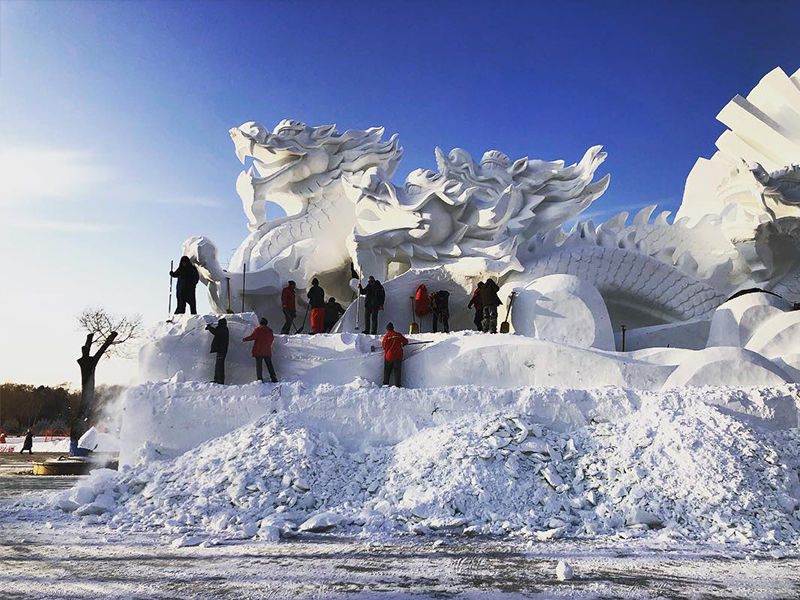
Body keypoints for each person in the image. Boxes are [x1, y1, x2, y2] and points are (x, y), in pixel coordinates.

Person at [243, 318, 277, 383]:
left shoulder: (258, 330)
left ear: (260, 323)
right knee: (269, 365)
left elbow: (252, 337)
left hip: (258, 351)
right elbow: (271, 339)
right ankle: (273, 377)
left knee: (259, 366)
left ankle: (260, 379)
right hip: (267, 351)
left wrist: (244, 339)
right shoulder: (270, 330)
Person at [381, 322, 408, 387]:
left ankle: (385, 384)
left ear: (387, 329)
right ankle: (397, 386)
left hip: (389, 356)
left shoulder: (386, 337)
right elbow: (406, 341)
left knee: (387, 371)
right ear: (393, 328)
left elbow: (384, 346)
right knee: (397, 372)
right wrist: (403, 344)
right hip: (398, 356)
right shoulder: (397, 335)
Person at [206, 318, 229, 384]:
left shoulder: (222, 329)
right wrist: (210, 328)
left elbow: (216, 332)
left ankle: (220, 380)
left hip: (221, 350)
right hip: (222, 350)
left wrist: (210, 327)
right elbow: (216, 331)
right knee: (218, 365)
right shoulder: (224, 329)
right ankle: (217, 379)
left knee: (220, 365)